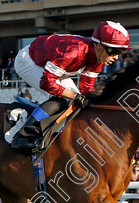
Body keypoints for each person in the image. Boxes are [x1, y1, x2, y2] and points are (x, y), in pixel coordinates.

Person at [10, 21, 130, 151]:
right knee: (66, 98)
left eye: (121, 52)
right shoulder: (74, 52)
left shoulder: (98, 59)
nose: (116, 57)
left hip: (47, 62)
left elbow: (86, 89)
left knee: (76, 101)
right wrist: (74, 95)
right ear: (99, 46)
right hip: (29, 61)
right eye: (113, 51)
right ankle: (24, 135)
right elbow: (47, 82)